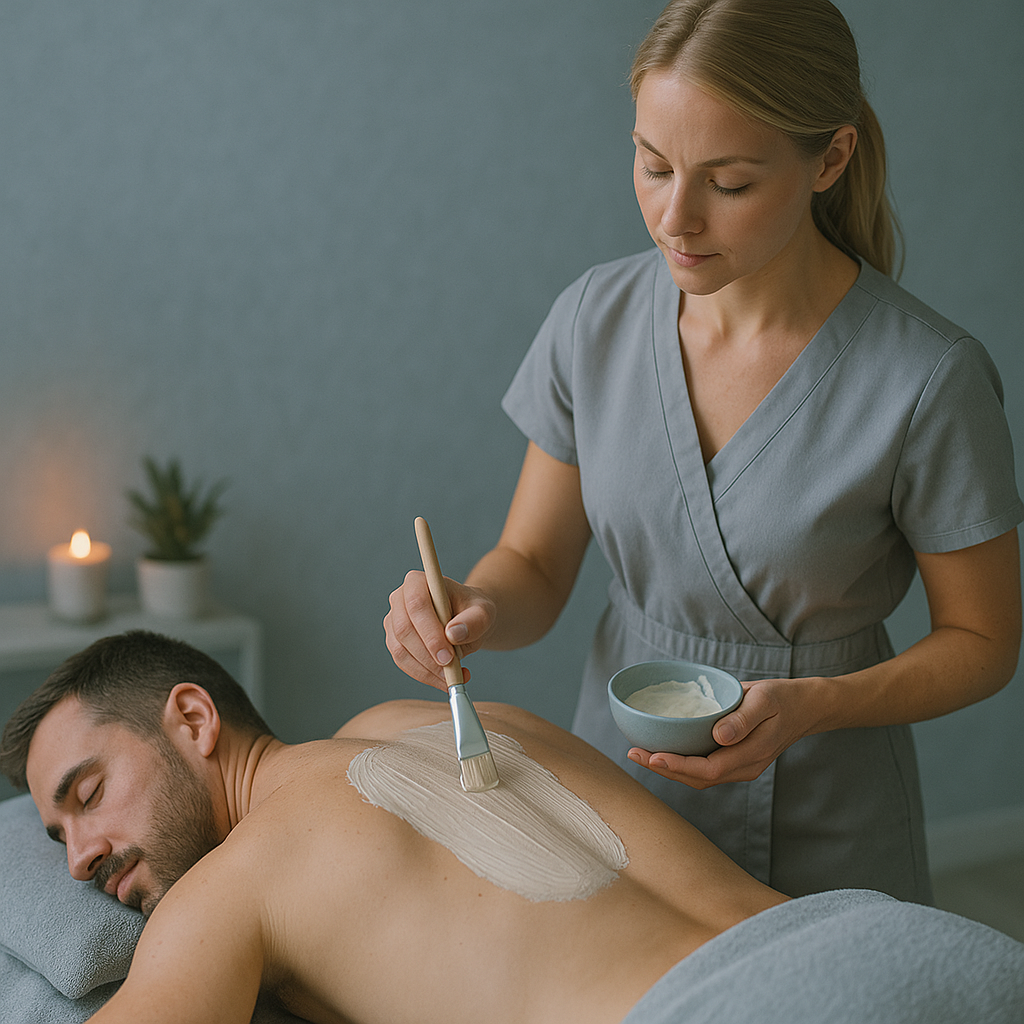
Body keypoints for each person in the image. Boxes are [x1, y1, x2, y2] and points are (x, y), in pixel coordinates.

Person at [384, 0, 1023, 904]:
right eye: (652, 166)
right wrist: (472, 606)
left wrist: (816, 705)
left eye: (727, 184)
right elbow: (531, 563)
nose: (674, 218)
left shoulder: (928, 377)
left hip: (826, 809)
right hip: (615, 794)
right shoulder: (592, 321)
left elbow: (985, 642)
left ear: (829, 159)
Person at [2, 630, 1023, 1024]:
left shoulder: (236, 882)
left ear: (191, 717)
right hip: (900, 939)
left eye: (85, 793)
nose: (82, 857)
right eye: (53, 838)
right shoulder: (433, 724)